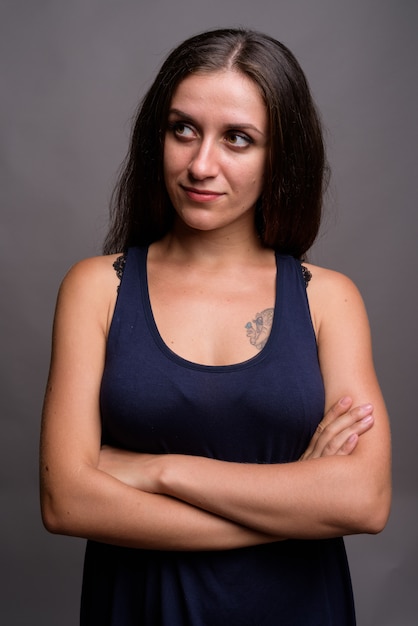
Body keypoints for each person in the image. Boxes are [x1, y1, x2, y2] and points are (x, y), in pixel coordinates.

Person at [40, 28, 391, 625]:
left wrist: (157, 469)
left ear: (280, 154)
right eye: (183, 130)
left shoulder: (329, 300)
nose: (202, 164)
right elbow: (67, 502)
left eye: (238, 139)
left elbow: (364, 501)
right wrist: (294, 504)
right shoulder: (96, 289)